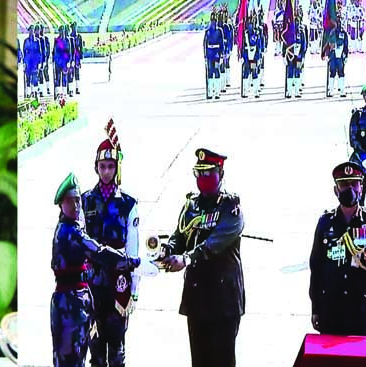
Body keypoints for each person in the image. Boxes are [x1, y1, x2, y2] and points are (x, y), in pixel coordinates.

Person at [160, 148, 245, 367]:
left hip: (223, 299)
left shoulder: (230, 208)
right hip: (197, 298)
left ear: (221, 174)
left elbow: (214, 244)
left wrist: (186, 259)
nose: (204, 179)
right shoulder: (191, 206)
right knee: (199, 360)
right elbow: (179, 235)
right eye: (199, 174)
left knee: (222, 360)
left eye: (209, 173)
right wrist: (167, 250)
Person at [51, 173, 140, 367]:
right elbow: (99, 252)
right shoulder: (71, 232)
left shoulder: (69, 227)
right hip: (71, 304)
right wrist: (131, 261)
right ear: (60, 204)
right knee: (73, 359)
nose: (75, 206)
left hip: (77, 298)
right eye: (69, 201)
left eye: (77, 201)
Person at [309, 162, 366, 336]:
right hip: (330, 307)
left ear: (361, 188)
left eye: (354, 184)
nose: (350, 189)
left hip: (361, 308)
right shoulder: (326, 223)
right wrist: (315, 308)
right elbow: (316, 267)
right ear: (336, 190)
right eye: (344, 185)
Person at [83, 120, 140, 367]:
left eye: (110, 166)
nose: (106, 171)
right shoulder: (85, 201)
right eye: (102, 166)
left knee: (117, 351)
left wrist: (134, 290)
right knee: (95, 349)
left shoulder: (128, 203)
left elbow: (133, 247)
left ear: (117, 168)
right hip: (92, 285)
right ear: (96, 168)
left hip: (119, 285)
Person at [242, 13, 264, 98]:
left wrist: (258, 57)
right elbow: (242, 46)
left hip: (254, 55)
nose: (250, 24)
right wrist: (243, 56)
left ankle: (255, 91)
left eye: (252, 22)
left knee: (254, 73)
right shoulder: (244, 34)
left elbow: (258, 45)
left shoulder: (257, 33)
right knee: (246, 73)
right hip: (247, 55)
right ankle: (245, 91)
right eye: (249, 23)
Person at [327, 18, 350, 97]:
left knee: (341, 72)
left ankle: (342, 90)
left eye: (339, 23)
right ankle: (330, 90)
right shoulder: (331, 33)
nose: (338, 25)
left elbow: (346, 45)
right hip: (333, 55)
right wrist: (327, 55)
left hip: (340, 55)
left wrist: (346, 55)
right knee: (332, 72)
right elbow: (327, 44)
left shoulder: (343, 33)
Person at [205, 14, 225, 99]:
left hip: (216, 54)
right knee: (210, 72)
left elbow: (221, 43)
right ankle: (210, 91)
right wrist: (205, 56)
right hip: (210, 55)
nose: (213, 23)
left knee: (216, 71)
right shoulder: (207, 31)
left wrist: (221, 54)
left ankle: (217, 92)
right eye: (212, 21)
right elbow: (205, 44)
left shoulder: (219, 31)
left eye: (214, 21)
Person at [24, 25, 43, 98]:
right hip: (28, 62)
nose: (31, 32)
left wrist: (39, 63)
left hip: (35, 62)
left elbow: (39, 53)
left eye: (32, 30)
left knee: (35, 79)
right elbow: (24, 52)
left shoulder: (37, 41)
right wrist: (24, 63)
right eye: (30, 30)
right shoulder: (26, 41)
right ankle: (29, 94)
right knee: (28, 78)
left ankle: (35, 94)